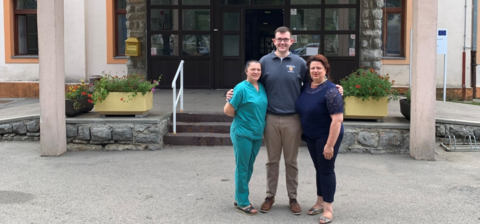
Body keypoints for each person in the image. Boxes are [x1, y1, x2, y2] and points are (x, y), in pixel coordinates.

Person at [227, 26, 343, 215]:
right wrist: (232, 94)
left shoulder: (299, 63)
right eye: (279, 39)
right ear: (274, 41)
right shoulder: (264, 61)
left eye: (285, 39)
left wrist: (334, 88)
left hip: (293, 120)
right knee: (272, 161)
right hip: (270, 119)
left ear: (291, 41)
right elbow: (253, 83)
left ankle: (293, 198)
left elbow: (314, 83)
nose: (282, 42)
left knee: (291, 161)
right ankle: (270, 196)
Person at [295, 54, 344, 224]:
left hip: (327, 135)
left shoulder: (331, 91)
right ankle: (319, 201)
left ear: (326, 70)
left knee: (326, 169)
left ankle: (328, 209)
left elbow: (337, 120)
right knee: (319, 168)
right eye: (312, 68)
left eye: (319, 68)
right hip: (311, 135)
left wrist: (330, 145)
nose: (315, 71)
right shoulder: (306, 87)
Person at [224, 60, 268, 216]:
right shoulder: (241, 88)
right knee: (242, 167)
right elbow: (228, 110)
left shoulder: (261, 87)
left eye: (258, 69)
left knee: (249, 166)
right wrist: (242, 117)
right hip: (242, 132)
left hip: (256, 133)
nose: (256, 72)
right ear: (246, 71)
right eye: (253, 69)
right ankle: (242, 202)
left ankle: (239, 196)